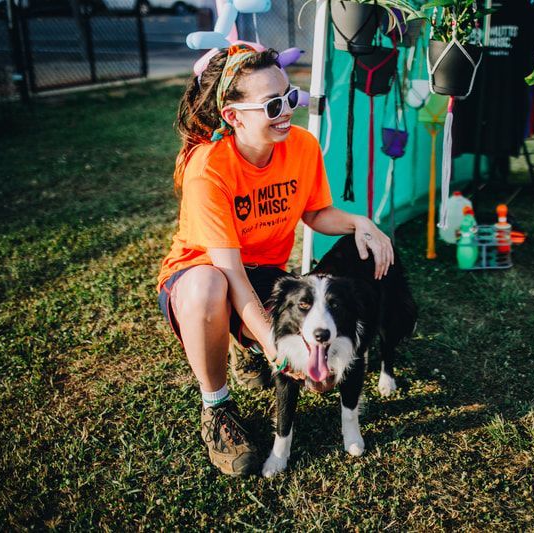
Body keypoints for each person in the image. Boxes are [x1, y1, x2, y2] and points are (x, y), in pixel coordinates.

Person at [156, 44, 394, 476]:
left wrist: (360, 223)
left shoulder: (300, 145)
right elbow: (230, 274)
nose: (287, 111)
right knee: (211, 289)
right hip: (200, 274)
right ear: (233, 116)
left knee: (296, 303)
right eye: (271, 105)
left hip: (263, 273)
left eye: (290, 97)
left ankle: (243, 344)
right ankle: (217, 408)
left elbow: (316, 212)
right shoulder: (208, 168)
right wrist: (273, 345)